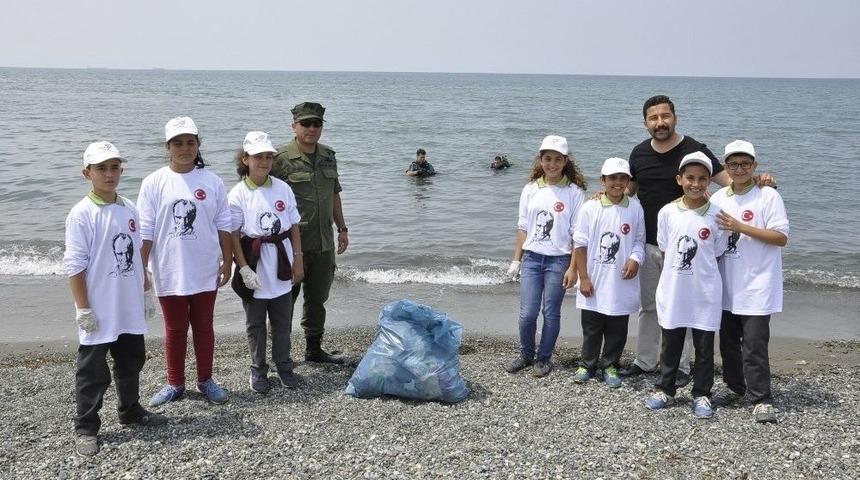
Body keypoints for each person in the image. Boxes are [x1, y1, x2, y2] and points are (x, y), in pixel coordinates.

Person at [64, 141, 167, 456]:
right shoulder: (82, 214)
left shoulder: (128, 207)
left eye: (114, 167)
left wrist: (146, 289)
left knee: (131, 360)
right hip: (100, 307)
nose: (109, 174)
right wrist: (83, 308)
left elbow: (136, 255)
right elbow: (75, 266)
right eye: (101, 168)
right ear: (88, 173)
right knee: (92, 370)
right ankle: (86, 427)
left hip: (128, 304)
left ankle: (130, 410)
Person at [619, 95, 729, 387]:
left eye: (665, 116)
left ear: (675, 118)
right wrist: (602, 197)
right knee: (649, 306)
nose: (660, 123)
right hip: (649, 244)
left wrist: (759, 185)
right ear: (645, 123)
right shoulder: (639, 153)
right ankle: (644, 361)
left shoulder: (694, 149)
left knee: (683, 306)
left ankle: (681, 366)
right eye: (653, 118)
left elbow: (728, 183)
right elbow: (627, 191)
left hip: (685, 248)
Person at [139, 117, 233, 406]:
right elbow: (144, 230)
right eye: (177, 143)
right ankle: (174, 383)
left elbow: (224, 224)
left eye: (190, 142)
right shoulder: (154, 182)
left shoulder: (212, 181)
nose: (184, 148)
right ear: (168, 147)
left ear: (198, 145)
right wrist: (141, 269)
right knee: (175, 329)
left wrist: (227, 261)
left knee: (204, 326)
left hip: (204, 267)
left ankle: (205, 379)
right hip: (168, 269)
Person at [710, 140, 789, 424]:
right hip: (726, 284)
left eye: (745, 164)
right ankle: (735, 388)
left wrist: (741, 227)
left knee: (754, 343)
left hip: (758, 284)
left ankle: (761, 398)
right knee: (728, 343)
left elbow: (781, 237)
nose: (739, 168)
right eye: (733, 164)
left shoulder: (768, 196)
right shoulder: (719, 199)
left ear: (754, 166)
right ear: (726, 168)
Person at [645, 152, 728, 419]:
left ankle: (702, 394)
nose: (696, 183)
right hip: (674, 289)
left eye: (703, 178)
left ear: (709, 182)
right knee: (671, 343)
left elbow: (716, 252)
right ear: (679, 179)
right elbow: (667, 249)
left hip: (704, 290)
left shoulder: (718, 215)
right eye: (690, 178)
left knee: (704, 346)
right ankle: (665, 389)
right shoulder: (668, 212)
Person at [271, 102, 349, 364]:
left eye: (317, 124)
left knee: (317, 299)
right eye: (306, 123)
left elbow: (334, 194)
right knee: (284, 301)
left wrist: (343, 228)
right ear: (294, 126)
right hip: (293, 244)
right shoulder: (279, 158)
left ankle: (314, 350)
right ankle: (278, 355)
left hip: (324, 242)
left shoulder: (328, 156)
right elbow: (265, 199)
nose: (312, 129)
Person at [228, 132, 305, 393]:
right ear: (245, 159)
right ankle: (258, 370)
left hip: (281, 263)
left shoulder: (282, 188)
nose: (264, 161)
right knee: (256, 323)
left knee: (283, 320)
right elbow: (234, 236)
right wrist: (243, 268)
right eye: (258, 156)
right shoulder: (238, 194)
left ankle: (284, 365)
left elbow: (294, 226)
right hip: (255, 261)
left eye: (269, 156)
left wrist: (298, 259)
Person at [504, 135, 586, 377]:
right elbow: (523, 228)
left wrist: (574, 269)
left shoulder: (574, 193)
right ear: (540, 160)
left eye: (557, 159)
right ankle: (526, 354)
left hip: (558, 260)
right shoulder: (530, 189)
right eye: (547, 159)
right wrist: (516, 260)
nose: (552, 164)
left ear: (565, 161)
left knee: (550, 312)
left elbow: (577, 236)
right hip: (531, 259)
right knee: (527, 312)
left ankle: (544, 358)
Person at [569, 158, 645, 388]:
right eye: (612, 178)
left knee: (617, 326)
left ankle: (610, 364)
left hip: (621, 280)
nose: (618, 182)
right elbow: (579, 244)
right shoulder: (590, 207)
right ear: (603, 180)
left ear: (629, 181)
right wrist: (583, 277)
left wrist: (635, 259)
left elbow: (639, 241)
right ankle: (587, 363)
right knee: (592, 326)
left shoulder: (635, 207)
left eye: (623, 178)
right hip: (594, 278)